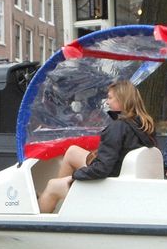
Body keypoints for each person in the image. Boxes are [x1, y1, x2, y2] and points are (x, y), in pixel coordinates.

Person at [38, 80, 156, 213]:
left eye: (110, 98)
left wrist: (75, 175)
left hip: (110, 183)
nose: (107, 102)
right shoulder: (145, 124)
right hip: (122, 175)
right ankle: (62, 199)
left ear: (122, 100)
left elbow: (102, 169)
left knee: (52, 185)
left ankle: (48, 212)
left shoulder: (117, 127)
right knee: (72, 152)